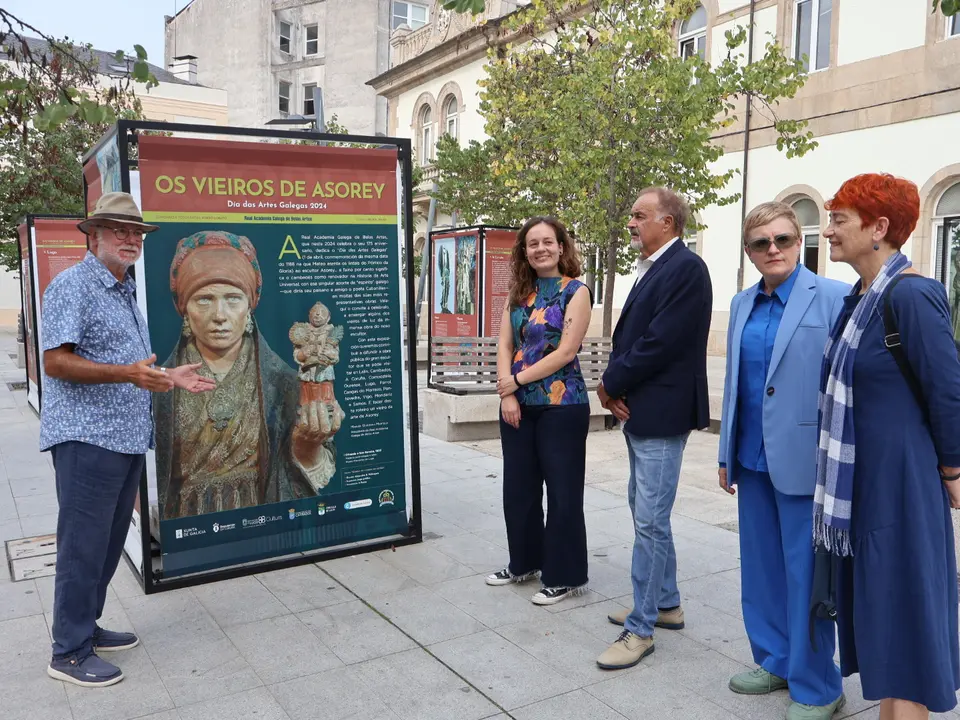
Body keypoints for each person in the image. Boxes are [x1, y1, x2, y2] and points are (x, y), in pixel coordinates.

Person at [40, 192, 215, 688]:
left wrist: (165, 377)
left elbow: (130, 369)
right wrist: (130, 375)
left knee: (108, 544)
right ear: (92, 236)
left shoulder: (122, 289)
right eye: (120, 230)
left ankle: (86, 628)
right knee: (82, 546)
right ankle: (69, 653)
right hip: (86, 440)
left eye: (136, 232)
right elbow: (55, 362)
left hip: (123, 439)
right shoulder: (75, 286)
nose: (131, 239)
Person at [815, 173, 960, 719]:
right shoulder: (860, 299)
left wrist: (952, 470)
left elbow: (948, 391)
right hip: (865, 484)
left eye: (838, 220)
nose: (828, 231)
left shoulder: (913, 295)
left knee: (904, 616)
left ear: (879, 228)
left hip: (900, 484)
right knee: (886, 616)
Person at [717, 202, 848, 720]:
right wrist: (727, 450)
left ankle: (818, 684)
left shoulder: (835, 297)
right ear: (748, 252)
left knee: (808, 577)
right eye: (760, 243)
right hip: (751, 459)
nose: (772, 250)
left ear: (800, 242)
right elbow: (736, 387)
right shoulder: (741, 303)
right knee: (762, 571)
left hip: (807, 461)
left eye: (783, 240)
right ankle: (774, 660)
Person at [596, 186, 712, 670]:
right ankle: (666, 604)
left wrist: (609, 382)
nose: (631, 223)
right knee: (645, 511)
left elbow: (658, 342)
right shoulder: (657, 267)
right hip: (643, 409)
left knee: (649, 519)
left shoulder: (685, 268)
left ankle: (640, 628)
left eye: (639, 215)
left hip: (661, 412)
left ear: (669, 221)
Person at [155, 230, 341, 520]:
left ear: (249, 307)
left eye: (232, 298)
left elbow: (312, 470)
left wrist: (306, 447)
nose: (220, 314)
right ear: (185, 311)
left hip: (261, 521)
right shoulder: (160, 384)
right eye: (204, 299)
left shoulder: (283, 383)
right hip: (185, 524)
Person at [485, 216, 593, 606]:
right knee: (519, 490)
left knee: (563, 493)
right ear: (524, 252)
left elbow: (566, 352)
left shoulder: (576, 292)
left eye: (548, 242)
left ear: (561, 247)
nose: (541, 249)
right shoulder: (518, 293)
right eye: (533, 244)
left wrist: (517, 381)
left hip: (561, 406)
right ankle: (523, 563)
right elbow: (503, 344)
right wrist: (506, 394)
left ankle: (564, 576)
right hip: (518, 405)